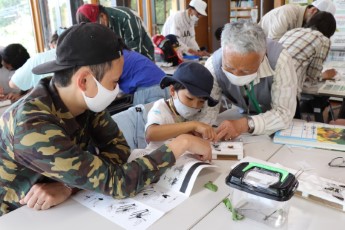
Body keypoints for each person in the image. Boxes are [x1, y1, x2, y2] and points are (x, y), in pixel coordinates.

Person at [0, 23, 212, 216]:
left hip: (62, 207)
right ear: (83, 80)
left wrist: (69, 186)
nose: (117, 89)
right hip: (17, 215)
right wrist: (180, 143)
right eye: (114, 81)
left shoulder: (85, 102)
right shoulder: (31, 125)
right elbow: (119, 182)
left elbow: (119, 149)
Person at [190, 22, 298, 140]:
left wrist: (246, 124)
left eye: (246, 71)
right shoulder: (213, 65)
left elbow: (284, 113)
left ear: (262, 58)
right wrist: (204, 131)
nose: (236, 75)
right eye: (229, 68)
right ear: (223, 51)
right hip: (240, 118)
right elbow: (208, 111)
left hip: (275, 128)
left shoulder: (280, 60)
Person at [145, 62, 218, 150]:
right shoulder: (160, 108)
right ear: (172, 90)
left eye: (201, 102)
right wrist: (193, 125)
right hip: (156, 159)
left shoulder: (187, 114)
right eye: (189, 98)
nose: (195, 105)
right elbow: (151, 134)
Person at [279, 11, 337, 96]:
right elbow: (312, 77)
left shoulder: (294, 31)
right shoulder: (323, 40)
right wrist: (324, 75)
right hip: (286, 88)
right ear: (330, 31)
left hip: (265, 83)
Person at [76, 4, 154, 61]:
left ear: (102, 16)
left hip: (144, 60)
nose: (96, 31)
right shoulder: (100, 26)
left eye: (95, 27)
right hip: (121, 63)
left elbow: (134, 54)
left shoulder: (127, 18)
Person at [259, 0, 336, 41]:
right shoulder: (287, 13)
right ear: (313, 10)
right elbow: (273, 44)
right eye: (319, 21)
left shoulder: (306, 24)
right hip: (258, 49)